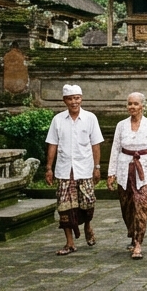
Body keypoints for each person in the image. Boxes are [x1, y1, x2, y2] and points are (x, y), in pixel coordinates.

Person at [45, 84, 104, 255]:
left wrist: (97, 167)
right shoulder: (57, 120)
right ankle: (69, 242)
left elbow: (96, 144)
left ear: (81, 99)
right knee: (64, 207)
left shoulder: (90, 118)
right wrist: (49, 168)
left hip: (84, 169)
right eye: (70, 99)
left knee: (87, 203)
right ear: (64, 100)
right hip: (64, 170)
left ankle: (87, 226)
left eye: (77, 98)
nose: (74, 102)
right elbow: (52, 144)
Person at [107, 92, 147, 260]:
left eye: (135, 104)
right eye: (129, 103)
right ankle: (132, 234)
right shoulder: (121, 125)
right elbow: (115, 149)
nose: (132, 106)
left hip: (144, 169)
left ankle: (138, 243)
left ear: (142, 106)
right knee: (127, 206)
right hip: (125, 168)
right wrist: (111, 173)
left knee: (141, 206)